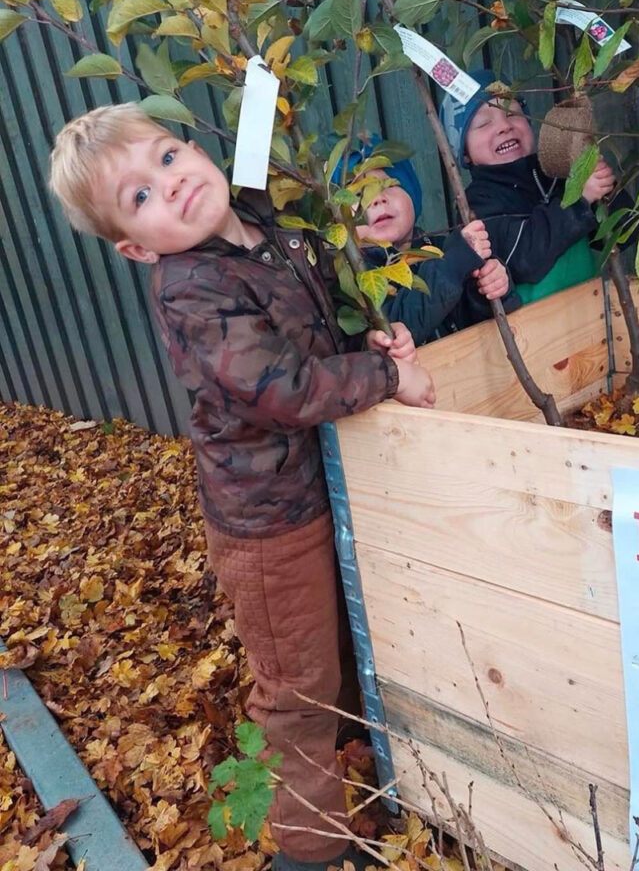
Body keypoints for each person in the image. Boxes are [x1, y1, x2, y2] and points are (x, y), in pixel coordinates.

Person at [48, 103, 436, 871]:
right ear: (134, 247)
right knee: (296, 687)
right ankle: (312, 849)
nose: (171, 185)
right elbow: (282, 386)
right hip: (270, 524)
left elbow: (320, 323)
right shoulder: (190, 288)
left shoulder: (269, 223)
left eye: (166, 157)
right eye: (139, 196)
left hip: (326, 486)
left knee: (347, 646)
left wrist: (370, 338)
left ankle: (360, 764)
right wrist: (386, 375)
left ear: (195, 147)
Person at [439, 70, 617, 303]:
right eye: (484, 124)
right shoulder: (478, 205)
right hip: (532, 331)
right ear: (465, 154)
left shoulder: (557, 175)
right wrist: (580, 201)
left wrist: (603, 187)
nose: (504, 126)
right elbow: (525, 260)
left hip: (590, 313)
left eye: (512, 113)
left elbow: (622, 235)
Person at [338, 137, 521, 344]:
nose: (378, 198)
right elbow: (397, 328)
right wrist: (453, 265)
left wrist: (490, 287)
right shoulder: (351, 280)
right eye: (359, 193)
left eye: (389, 185)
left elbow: (482, 318)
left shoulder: (440, 249)